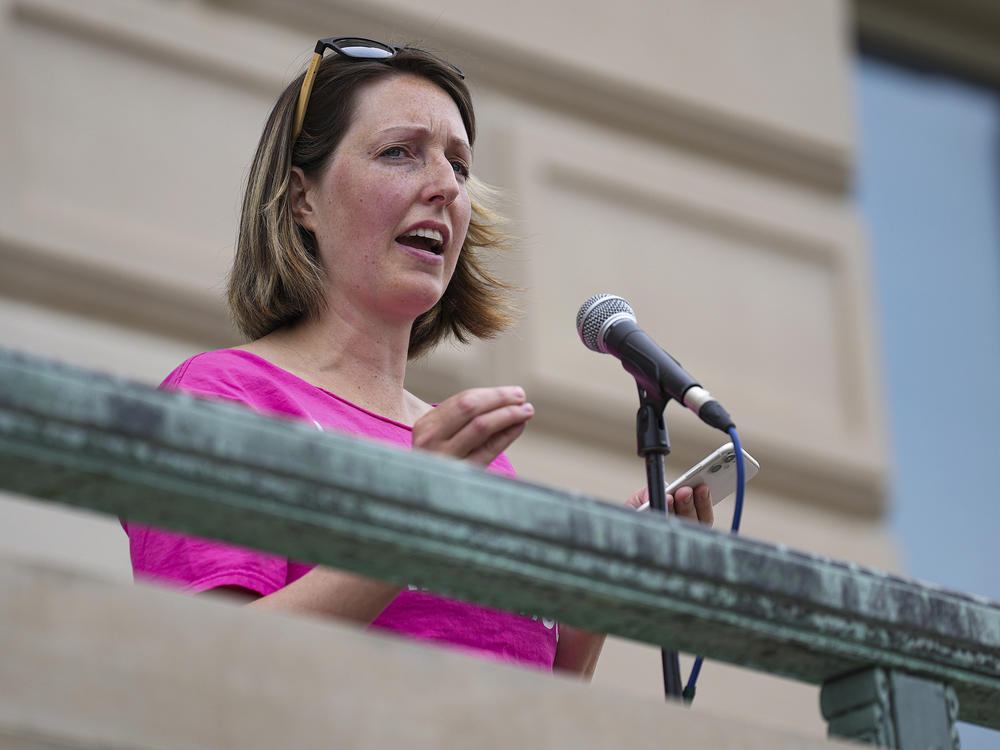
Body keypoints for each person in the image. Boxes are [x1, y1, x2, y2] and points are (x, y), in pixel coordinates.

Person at [123, 37, 713, 679]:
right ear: (302, 199)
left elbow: (527, 693)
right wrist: (411, 521)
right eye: (399, 152)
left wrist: (608, 590)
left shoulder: (472, 454)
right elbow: (204, 668)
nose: (444, 188)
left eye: (458, 166)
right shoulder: (223, 395)